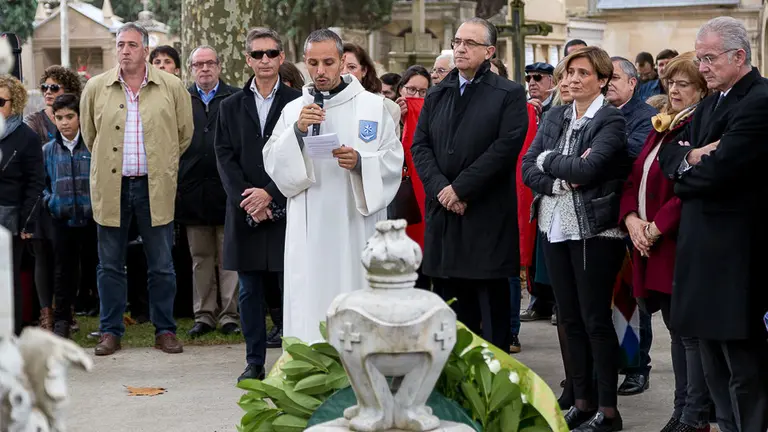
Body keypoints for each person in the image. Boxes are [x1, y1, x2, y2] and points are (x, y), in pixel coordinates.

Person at [658, 17, 768, 432]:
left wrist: (690, 166)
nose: (701, 67)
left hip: (735, 255)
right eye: (700, 58)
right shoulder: (710, 103)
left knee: (743, 368)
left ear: (739, 56)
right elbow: (670, 155)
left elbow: (720, 173)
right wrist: (694, 156)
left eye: (709, 58)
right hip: (701, 252)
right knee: (712, 368)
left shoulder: (758, 101)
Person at [262, 28, 403, 343]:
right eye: (313, 63)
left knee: (354, 293)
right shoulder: (293, 110)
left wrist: (361, 162)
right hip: (309, 227)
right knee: (311, 302)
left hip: (354, 224)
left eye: (328, 62)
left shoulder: (372, 107)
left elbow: (393, 160)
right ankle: (311, 358)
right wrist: (297, 132)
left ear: (342, 61)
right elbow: (273, 161)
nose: (320, 71)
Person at [522, 46, 630, 431]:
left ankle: (608, 411)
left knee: (594, 318)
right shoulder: (556, 115)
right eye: (569, 72)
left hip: (594, 231)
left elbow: (589, 169)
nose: (573, 79)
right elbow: (527, 166)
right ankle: (582, 402)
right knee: (568, 318)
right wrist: (557, 177)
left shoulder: (610, 120)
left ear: (601, 80)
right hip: (553, 225)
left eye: (583, 73)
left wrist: (549, 161)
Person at [411, 17, 528, 352]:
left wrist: (460, 189)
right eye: (457, 42)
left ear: (489, 51)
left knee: (490, 312)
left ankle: (495, 375)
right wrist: (442, 190)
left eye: (470, 43)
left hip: (484, 215)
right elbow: (420, 146)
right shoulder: (438, 92)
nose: (460, 49)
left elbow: (504, 148)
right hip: (445, 216)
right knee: (452, 312)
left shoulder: (508, 93)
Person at [80, 22, 193, 356]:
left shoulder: (171, 86)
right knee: (109, 265)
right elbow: (90, 136)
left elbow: (183, 135)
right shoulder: (96, 87)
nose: (125, 50)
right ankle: (110, 331)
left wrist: (162, 164)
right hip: (111, 187)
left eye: (131, 44)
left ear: (146, 49)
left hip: (153, 186)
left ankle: (165, 330)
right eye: (120, 44)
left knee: (161, 264)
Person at [619, 51, 712, 432]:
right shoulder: (662, 126)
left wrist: (655, 228)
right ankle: (680, 410)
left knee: (690, 334)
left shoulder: (700, 127)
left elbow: (688, 188)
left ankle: (694, 416)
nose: (673, 89)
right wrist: (631, 220)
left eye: (683, 84)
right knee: (675, 330)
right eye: (670, 82)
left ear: (702, 90)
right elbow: (633, 178)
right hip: (649, 241)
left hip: (677, 242)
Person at [216, 27, 302, 381]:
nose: (264, 60)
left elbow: (303, 155)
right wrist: (249, 199)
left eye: (271, 53)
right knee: (249, 291)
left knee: (290, 289)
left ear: (281, 57)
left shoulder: (299, 102)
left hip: (287, 207)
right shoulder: (230, 106)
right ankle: (254, 361)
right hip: (245, 210)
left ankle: (295, 362)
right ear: (247, 60)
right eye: (257, 54)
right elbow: (224, 157)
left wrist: (271, 193)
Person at [178, 45, 241, 339]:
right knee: (200, 257)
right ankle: (204, 314)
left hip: (227, 191)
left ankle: (230, 315)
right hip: (192, 191)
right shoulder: (182, 99)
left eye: (210, 63)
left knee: (229, 258)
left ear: (219, 66)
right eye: (198, 64)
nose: (204, 69)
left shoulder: (234, 98)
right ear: (191, 69)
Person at [24, 65, 83, 330]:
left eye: (54, 87)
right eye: (45, 87)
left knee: (68, 259)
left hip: (72, 201)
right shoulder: (34, 120)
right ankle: (46, 313)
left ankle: (66, 310)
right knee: (43, 257)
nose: (48, 91)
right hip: (44, 197)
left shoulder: (79, 121)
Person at [42, 93, 97, 339]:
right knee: (63, 272)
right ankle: (62, 321)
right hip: (62, 220)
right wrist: (51, 202)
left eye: (70, 116)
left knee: (98, 268)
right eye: (59, 117)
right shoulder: (48, 150)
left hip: (92, 218)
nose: (64, 122)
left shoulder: (92, 145)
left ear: (80, 117)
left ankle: (105, 321)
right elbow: (42, 183)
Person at [0, 74, 45, 336]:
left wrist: (28, 221)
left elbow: (35, 182)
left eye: (0, 101)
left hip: (9, 218)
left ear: (14, 103)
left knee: (8, 279)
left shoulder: (26, 137)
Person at [394, 66, 432, 288]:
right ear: (401, 89)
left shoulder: (432, 117)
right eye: (411, 90)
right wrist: (396, 119)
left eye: (422, 92)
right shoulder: (387, 113)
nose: (416, 96)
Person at [341, 43, 400, 134]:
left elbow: (391, 143)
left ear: (364, 71)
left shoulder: (387, 108)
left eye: (352, 67)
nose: (344, 72)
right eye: (340, 67)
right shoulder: (322, 104)